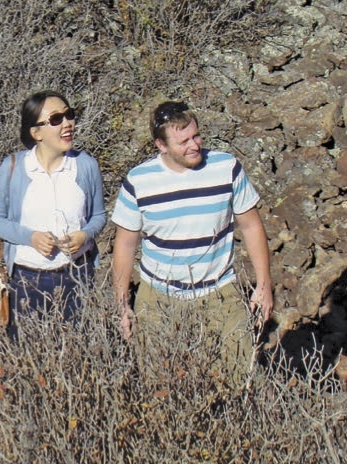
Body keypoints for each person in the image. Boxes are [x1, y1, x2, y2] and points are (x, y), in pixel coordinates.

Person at [111, 101, 274, 388]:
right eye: (183, 141)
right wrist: (122, 306)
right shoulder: (139, 181)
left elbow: (250, 225)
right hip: (159, 297)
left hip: (220, 292)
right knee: (159, 385)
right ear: (161, 144)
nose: (194, 145)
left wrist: (264, 285)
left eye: (196, 136)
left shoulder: (226, 167)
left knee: (243, 380)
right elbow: (124, 246)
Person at [0, 90, 107, 339]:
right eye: (56, 120)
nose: (67, 124)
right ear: (36, 133)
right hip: (27, 281)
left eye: (69, 115)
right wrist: (31, 237)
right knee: (30, 361)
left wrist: (85, 235)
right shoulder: (14, 167)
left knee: (79, 356)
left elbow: (99, 217)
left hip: (77, 277)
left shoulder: (85, 166)